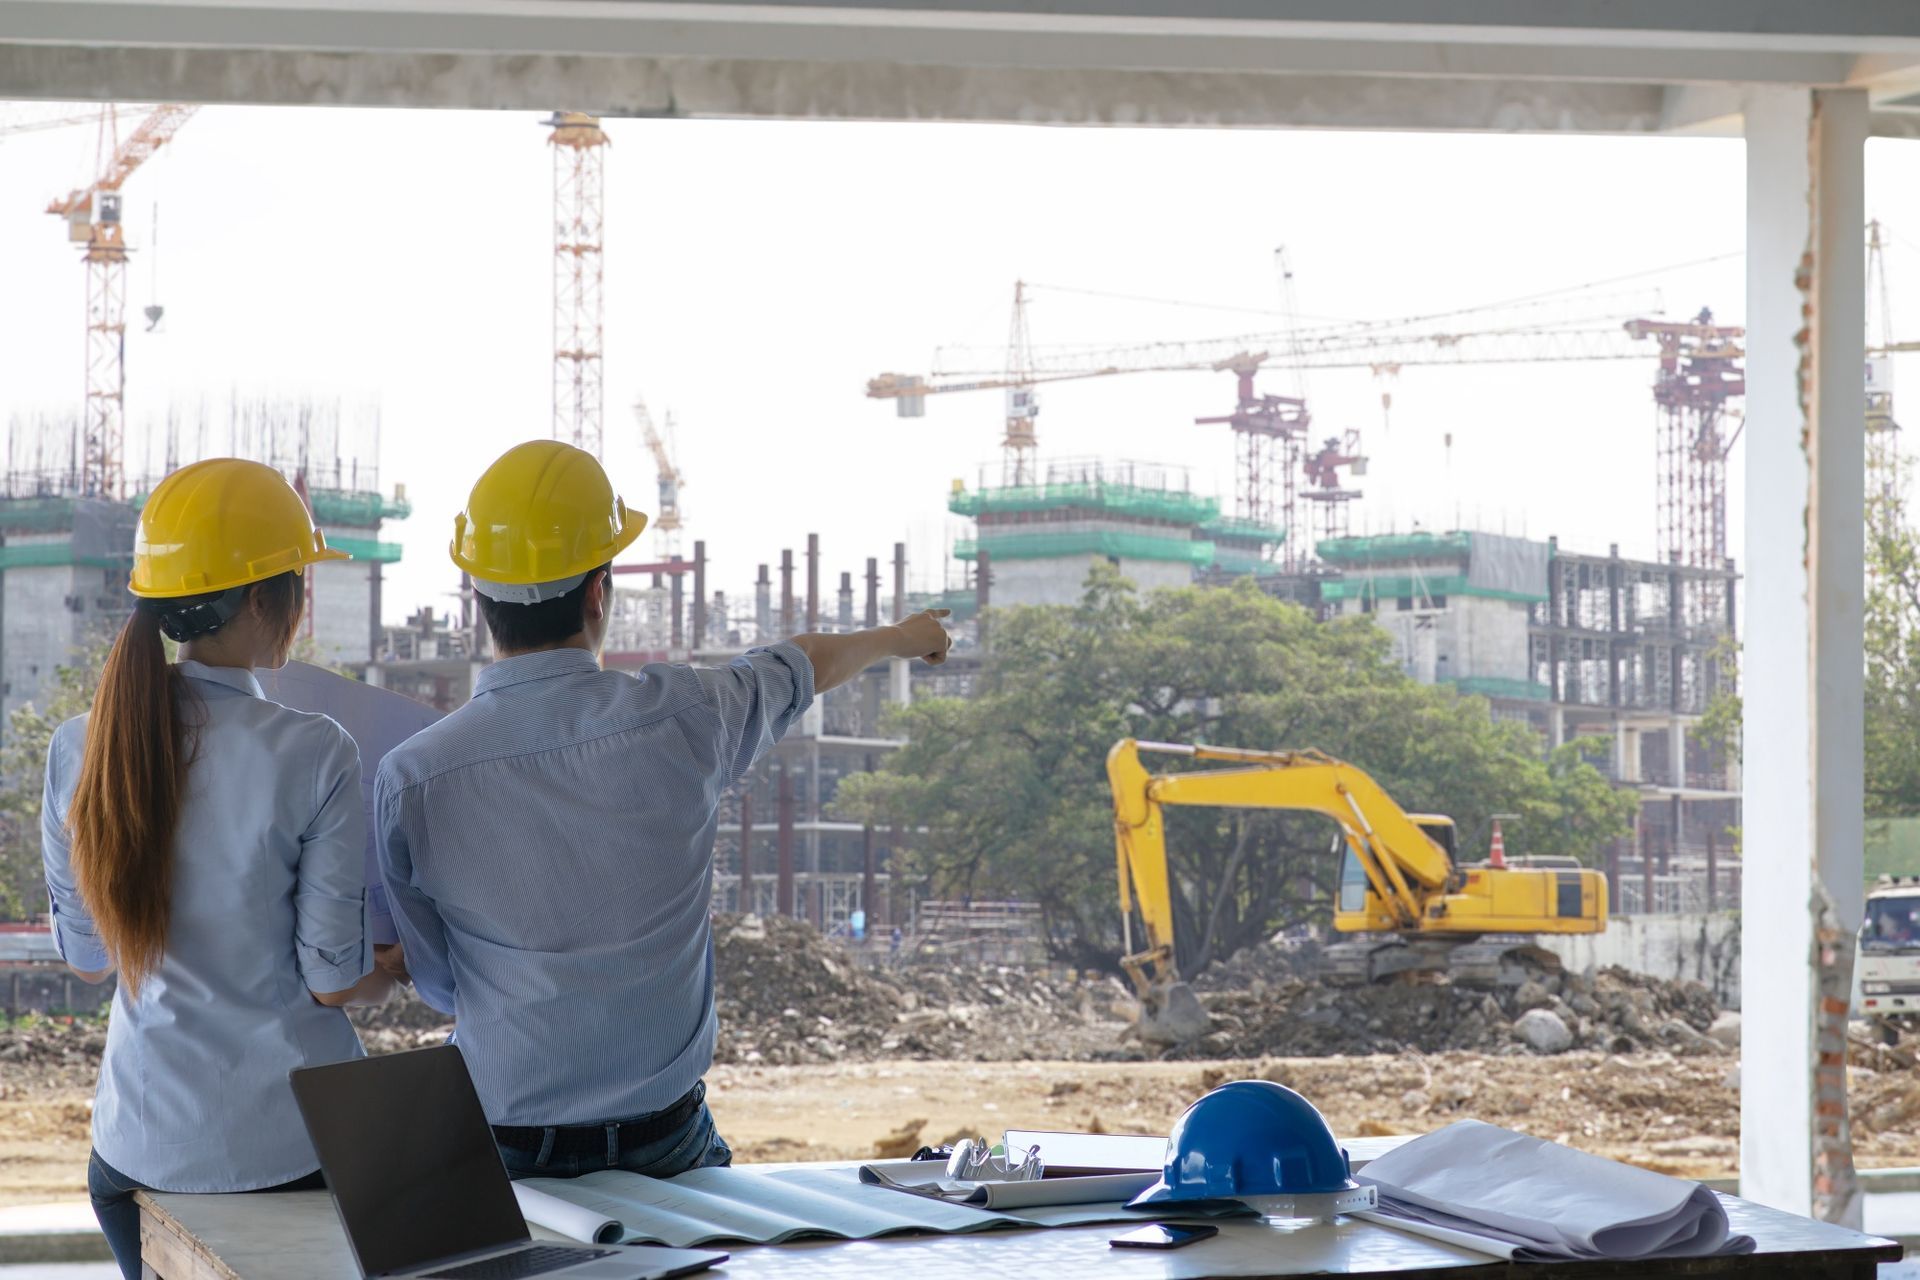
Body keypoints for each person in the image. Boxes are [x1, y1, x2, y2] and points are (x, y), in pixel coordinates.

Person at [375, 440, 950, 1180]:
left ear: (478, 599)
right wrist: (907, 637)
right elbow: (804, 663)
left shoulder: (413, 776)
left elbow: (441, 983)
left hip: (505, 1143)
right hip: (668, 1142)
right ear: (598, 591)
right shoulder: (689, 714)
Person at [41, 458, 397, 1279]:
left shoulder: (77, 747)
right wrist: (390, 975)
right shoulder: (315, 752)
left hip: (138, 1155)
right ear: (268, 599)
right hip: (294, 1152)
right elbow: (331, 981)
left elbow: (89, 958)